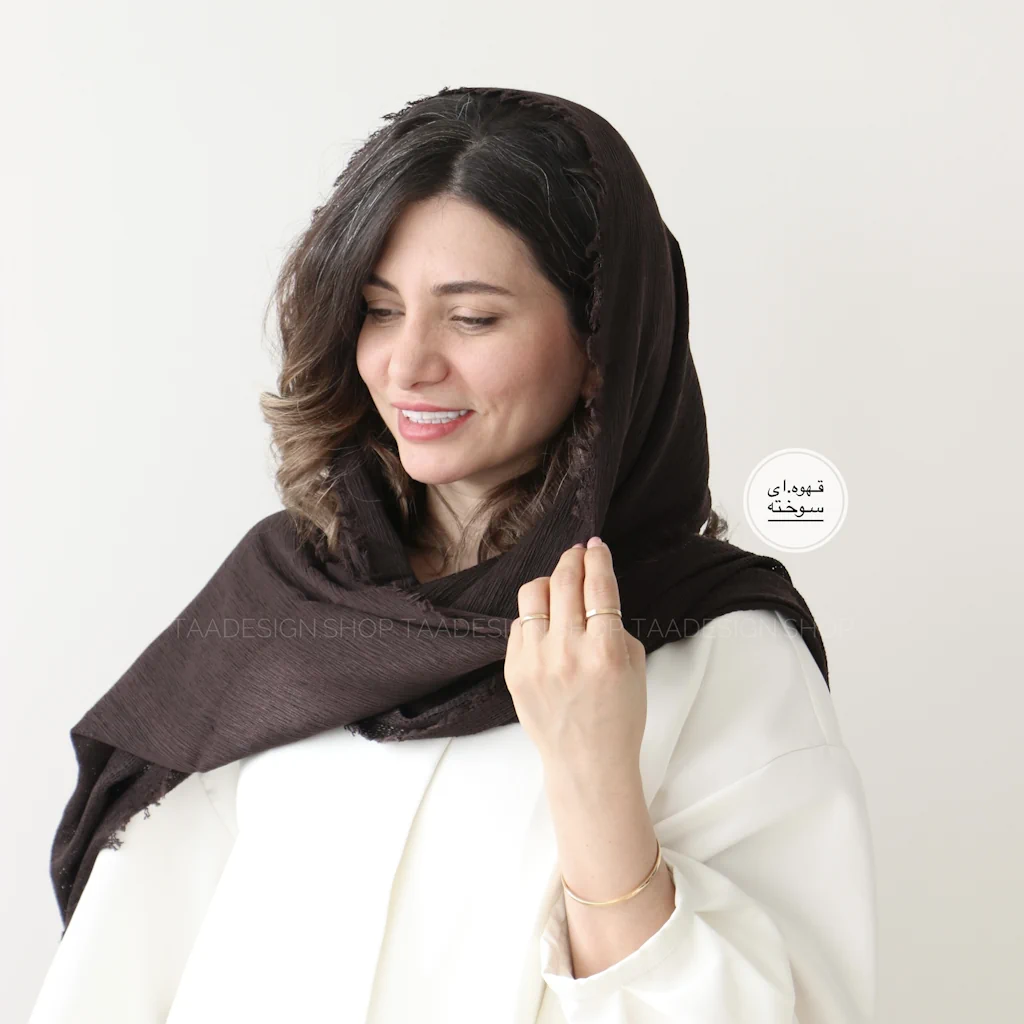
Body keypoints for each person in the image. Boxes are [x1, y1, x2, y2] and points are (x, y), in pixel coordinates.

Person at [28, 86, 877, 1023]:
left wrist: (594, 779)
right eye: (379, 310)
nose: (407, 364)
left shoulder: (720, 653)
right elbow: (124, 962)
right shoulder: (287, 597)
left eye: (471, 318)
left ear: (602, 344)